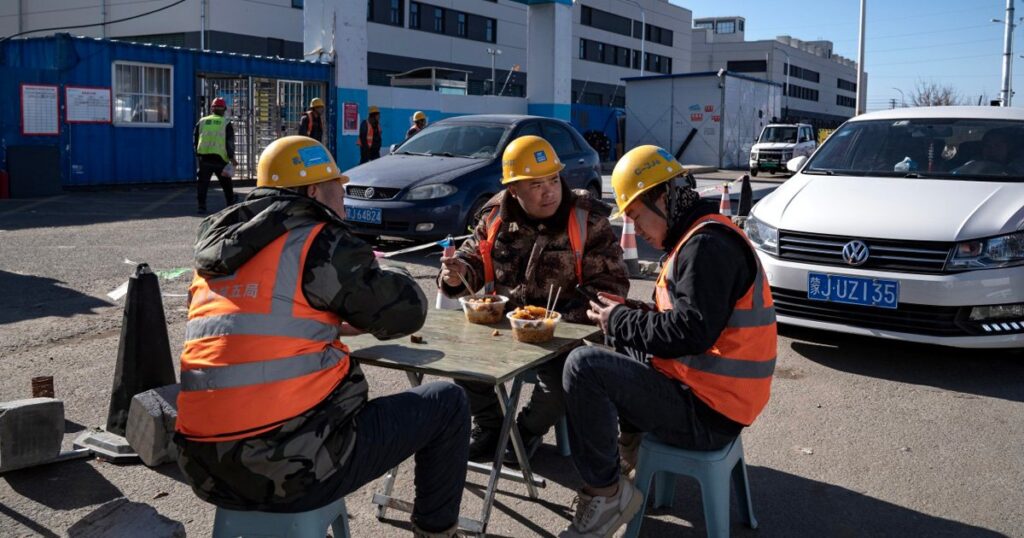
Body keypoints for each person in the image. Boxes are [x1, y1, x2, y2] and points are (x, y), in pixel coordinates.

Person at [174, 136, 469, 538]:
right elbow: (407, 313)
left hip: (204, 467)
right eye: (339, 190)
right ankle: (437, 533)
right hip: (289, 468)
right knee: (447, 403)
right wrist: (383, 275)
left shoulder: (220, 250)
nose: (344, 202)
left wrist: (326, 321)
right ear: (314, 191)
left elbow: (255, 328)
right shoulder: (318, 239)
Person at [558, 145, 777, 537]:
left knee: (582, 365)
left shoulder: (706, 247)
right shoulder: (700, 236)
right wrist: (629, 312)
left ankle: (606, 494)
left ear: (664, 197)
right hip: (716, 398)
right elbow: (685, 318)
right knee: (620, 337)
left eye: (638, 216)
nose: (636, 229)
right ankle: (632, 450)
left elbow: (691, 331)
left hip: (709, 413)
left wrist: (621, 320)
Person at [438, 135, 629, 464]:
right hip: (505, 325)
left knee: (561, 384)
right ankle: (491, 424)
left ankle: (525, 431)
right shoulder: (495, 218)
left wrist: (560, 320)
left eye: (553, 180)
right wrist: (455, 276)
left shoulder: (587, 219)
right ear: (514, 190)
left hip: (567, 331)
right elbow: (471, 261)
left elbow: (611, 285)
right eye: (536, 184)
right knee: (461, 361)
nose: (549, 191)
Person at [193, 97, 238, 213]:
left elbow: (196, 138)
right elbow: (229, 142)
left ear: (212, 108)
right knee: (226, 183)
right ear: (224, 109)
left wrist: (197, 153)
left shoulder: (202, 121)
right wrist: (231, 157)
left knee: (203, 184)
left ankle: (201, 206)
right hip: (220, 158)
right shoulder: (226, 123)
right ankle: (230, 203)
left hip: (204, 157)